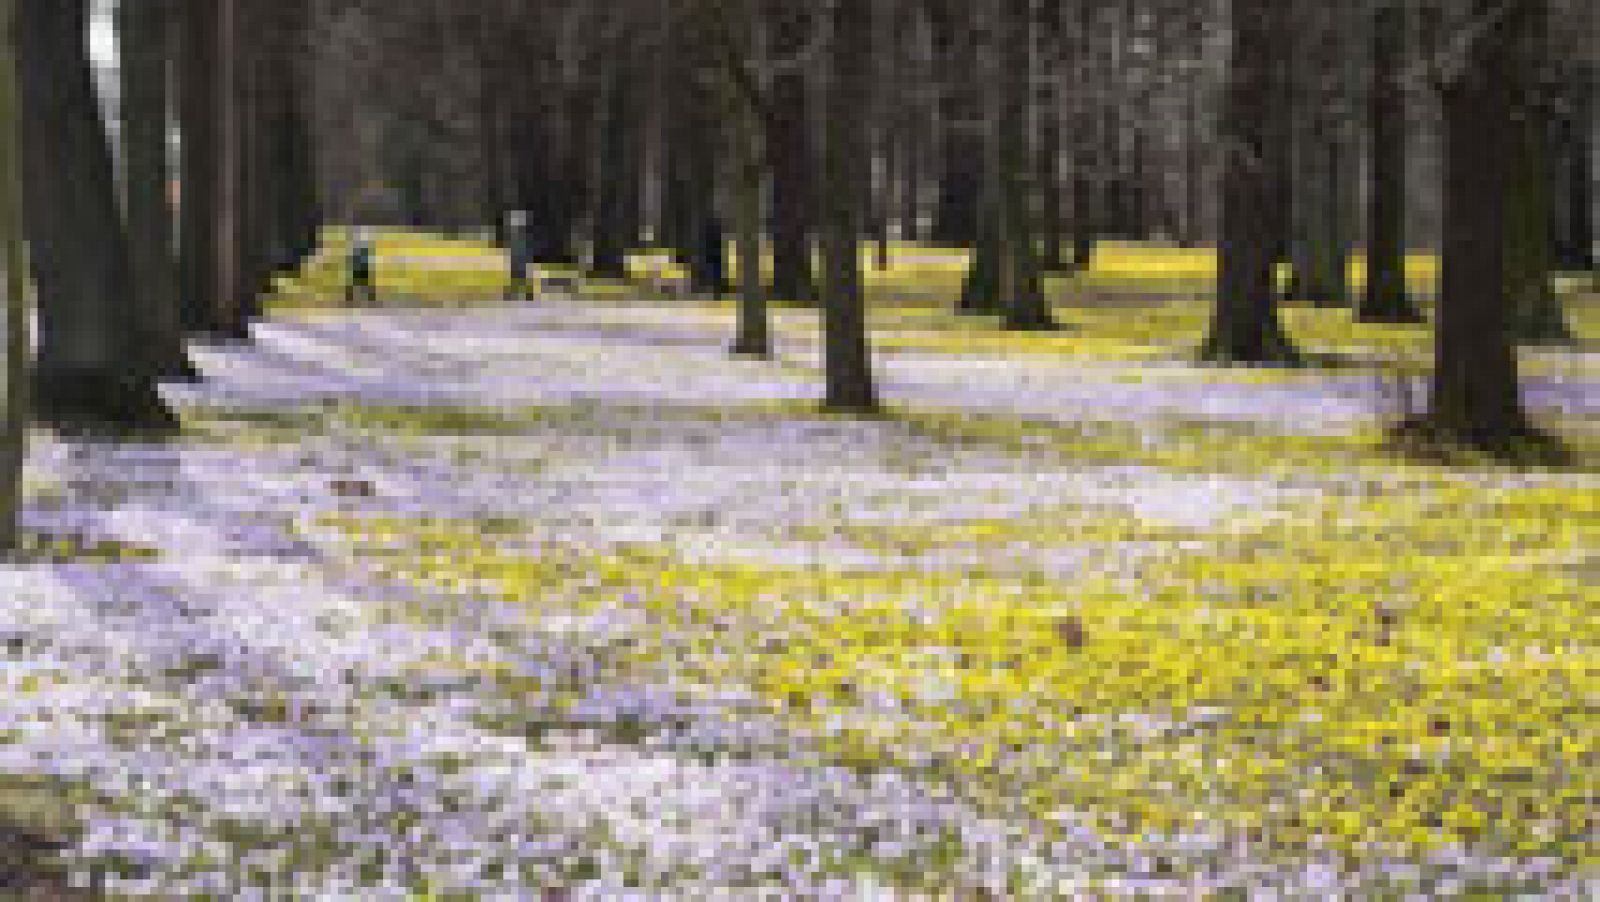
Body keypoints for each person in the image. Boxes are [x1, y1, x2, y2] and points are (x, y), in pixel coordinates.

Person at [504, 210, 534, 301]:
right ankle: (518, 293)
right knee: (517, 271)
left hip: (521, 253)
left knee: (521, 272)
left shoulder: (523, 235)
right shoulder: (515, 236)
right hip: (518, 253)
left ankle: (525, 293)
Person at [345, 228, 377, 306]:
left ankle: (364, 297)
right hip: (359, 264)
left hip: (362, 264)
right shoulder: (357, 247)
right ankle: (356, 297)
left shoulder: (363, 247)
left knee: (362, 280)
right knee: (359, 280)